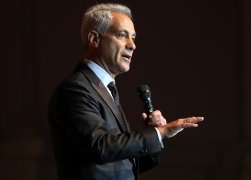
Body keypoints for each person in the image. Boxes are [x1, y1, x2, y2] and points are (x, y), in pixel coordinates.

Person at [48, 3, 204, 180]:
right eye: (122, 35)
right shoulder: (76, 89)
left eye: (134, 38)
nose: (132, 45)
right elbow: (100, 148)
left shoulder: (105, 89)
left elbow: (121, 164)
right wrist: (159, 134)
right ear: (94, 39)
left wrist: (153, 135)